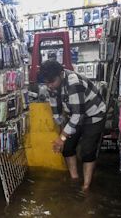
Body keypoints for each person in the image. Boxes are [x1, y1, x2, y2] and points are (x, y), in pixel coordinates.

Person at [38, 59, 106, 191]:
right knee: (68, 147)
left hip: (94, 115)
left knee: (87, 150)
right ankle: (74, 179)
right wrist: (61, 133)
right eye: (47, 82)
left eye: (52, 82)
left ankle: (86, 186)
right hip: (75, 115)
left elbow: (78, 115)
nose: (49, 86)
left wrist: (62, 137)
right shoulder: (51, 85)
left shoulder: (73, 82)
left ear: (61, 74)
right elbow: (55, 109)